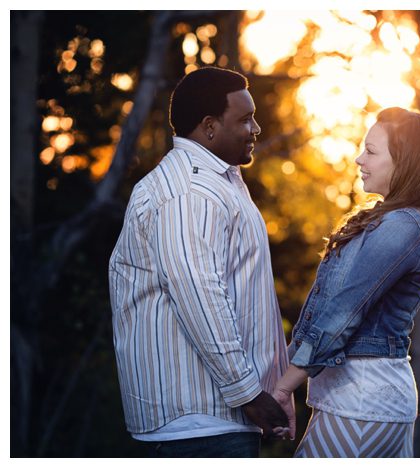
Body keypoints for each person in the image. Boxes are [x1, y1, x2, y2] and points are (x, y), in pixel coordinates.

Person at [108, 66, 289, 457]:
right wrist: (250, 395)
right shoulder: (188, 193)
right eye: (244, 119)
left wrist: (275, 388)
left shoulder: (217, 183)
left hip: (215, 423)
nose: (256, 128)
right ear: (209, 126)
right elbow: (200, 297)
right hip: (198, 428)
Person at [270, 107, 420, 457]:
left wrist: (283, 389)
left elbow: (340, 314)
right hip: (366, 403)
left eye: (371, 151)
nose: (359, 159)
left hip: (361, 404)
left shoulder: (402, 227)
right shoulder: (396, 222)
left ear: (406, 163)